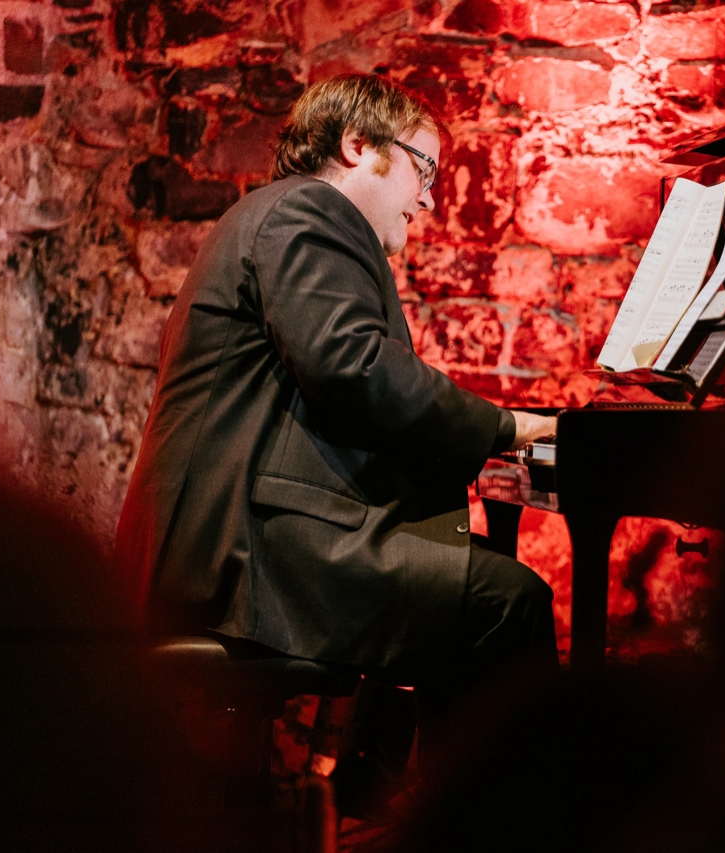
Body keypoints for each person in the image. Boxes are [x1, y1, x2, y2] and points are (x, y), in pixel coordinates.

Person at [115, 75, 558, 727]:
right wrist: (507, 426)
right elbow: (355, 368)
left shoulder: (280, 215)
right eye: (424, 168)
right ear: (356, 145)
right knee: (510, 603)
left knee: (467, 578)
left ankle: (377, 772)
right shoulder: (308, 210)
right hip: (240, 554)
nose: (430, 198)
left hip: (235, 540)